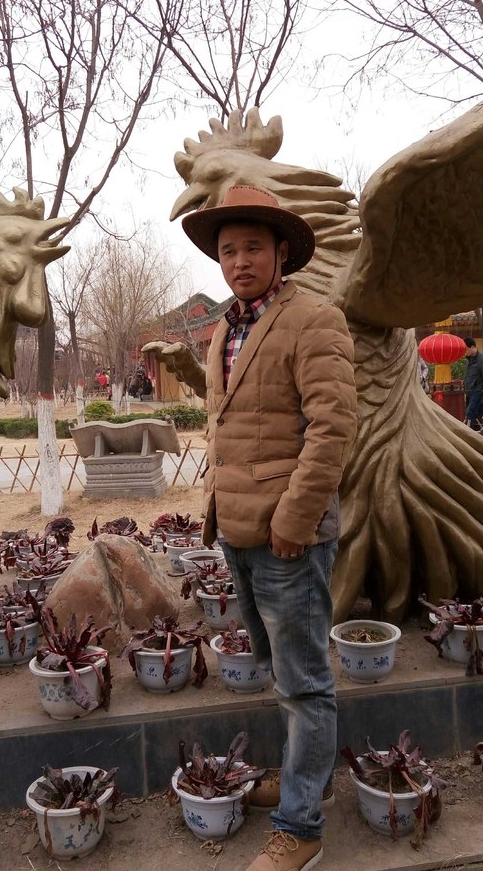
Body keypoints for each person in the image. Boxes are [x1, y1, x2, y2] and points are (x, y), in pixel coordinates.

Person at [181, 184, 357, 871]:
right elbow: (226, 424)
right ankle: (306, 775)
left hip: (290, 537)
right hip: (239, 531)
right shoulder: (225, 328)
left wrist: (295, 519)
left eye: (253, 247)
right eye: (229, 250)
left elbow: (332, 429)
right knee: (280, 669)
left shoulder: (315, 320)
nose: (240, 261)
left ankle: (301, 826)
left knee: (304, 682)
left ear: (282, 252)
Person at [463, 337, 483, 430]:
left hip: (478, 390)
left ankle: (468, 432)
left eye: (466, 349)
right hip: (470, 390)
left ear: (472, 347)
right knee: (476, 413)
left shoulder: (481, 359)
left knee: (470, 412)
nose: (465, 352)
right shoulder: (469, 360)